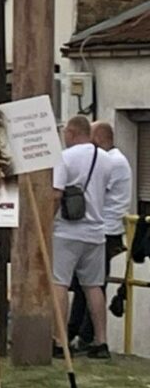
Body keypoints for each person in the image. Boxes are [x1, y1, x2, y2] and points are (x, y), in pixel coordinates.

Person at [69, 121, 131, 352]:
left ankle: (86, 333)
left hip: (104, 228)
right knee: (87, 284)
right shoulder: (113, 160)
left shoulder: (111, 161)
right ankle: (76, 330)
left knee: (92, 284)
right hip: (104, 227)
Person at [53, 114, 111, 359]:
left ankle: (59, 341)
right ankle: (101, 341)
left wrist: (47, 223)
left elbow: (56, 194)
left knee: (59, 284)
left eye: (65, 132)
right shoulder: (107, 159)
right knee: (93, 287)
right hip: (96, 231)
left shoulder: (64, 158)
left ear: (73, 133)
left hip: (67, 231)